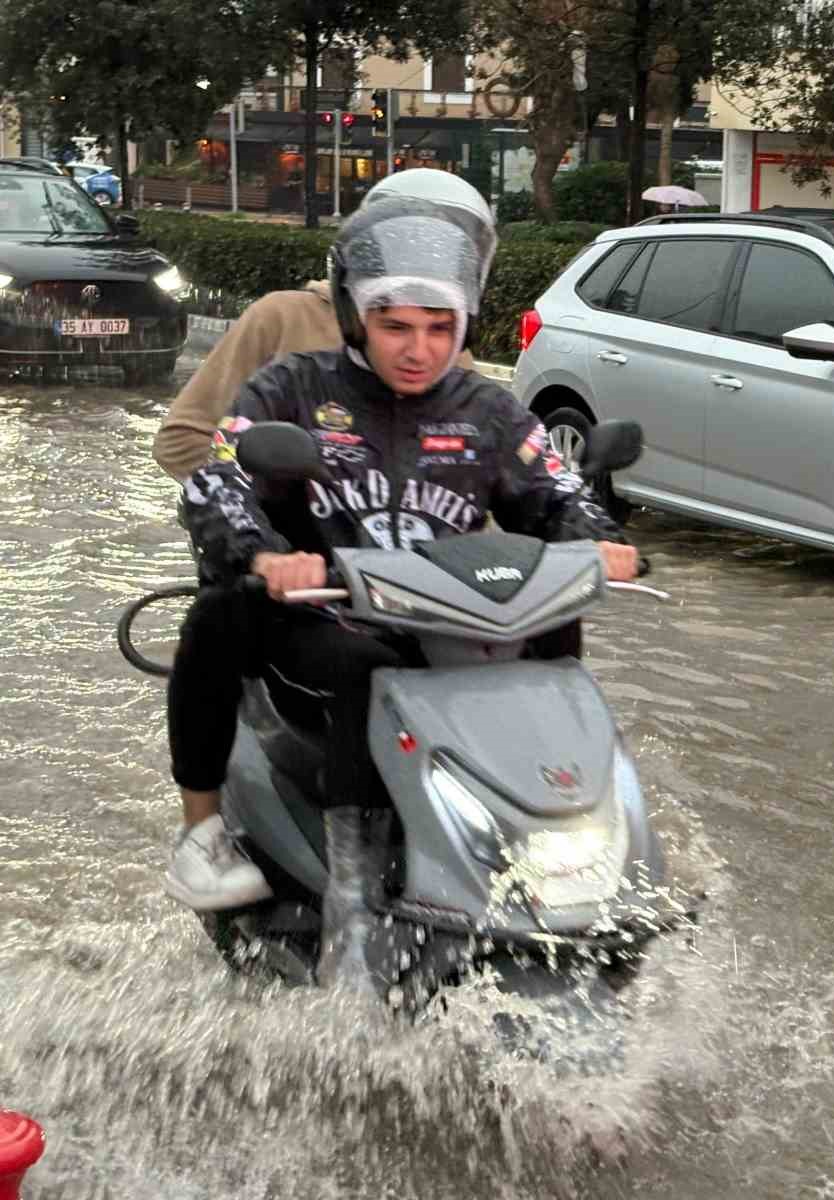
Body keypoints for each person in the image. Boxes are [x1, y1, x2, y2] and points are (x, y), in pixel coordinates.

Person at [168, 192, 637, 995]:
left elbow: (555, 488)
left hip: (450, 621)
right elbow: (218, 476)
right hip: (324, 619)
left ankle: (585, 840)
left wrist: (597, 538)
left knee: (558, 627)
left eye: (438, 329)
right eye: (396, 327)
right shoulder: (293, 387)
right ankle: (259, 857)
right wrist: (267, 554)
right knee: (293, 641)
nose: (419, 349)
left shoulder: (490, 410)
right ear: (356, 316)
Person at [159, 172, 486, 913]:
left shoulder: (449, 360)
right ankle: (247, 848)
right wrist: (261, 536)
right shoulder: (282, 330)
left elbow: (479, 485)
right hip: (290, 581)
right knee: (263, 638)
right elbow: (193, 444)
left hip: (403, 588)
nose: (417, 345)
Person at [153, 171, 480, 482]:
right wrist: (263, 505)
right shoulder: (281, 318)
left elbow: (486, 473)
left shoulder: (450, 352)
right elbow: (181, 440)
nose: (419, 350)